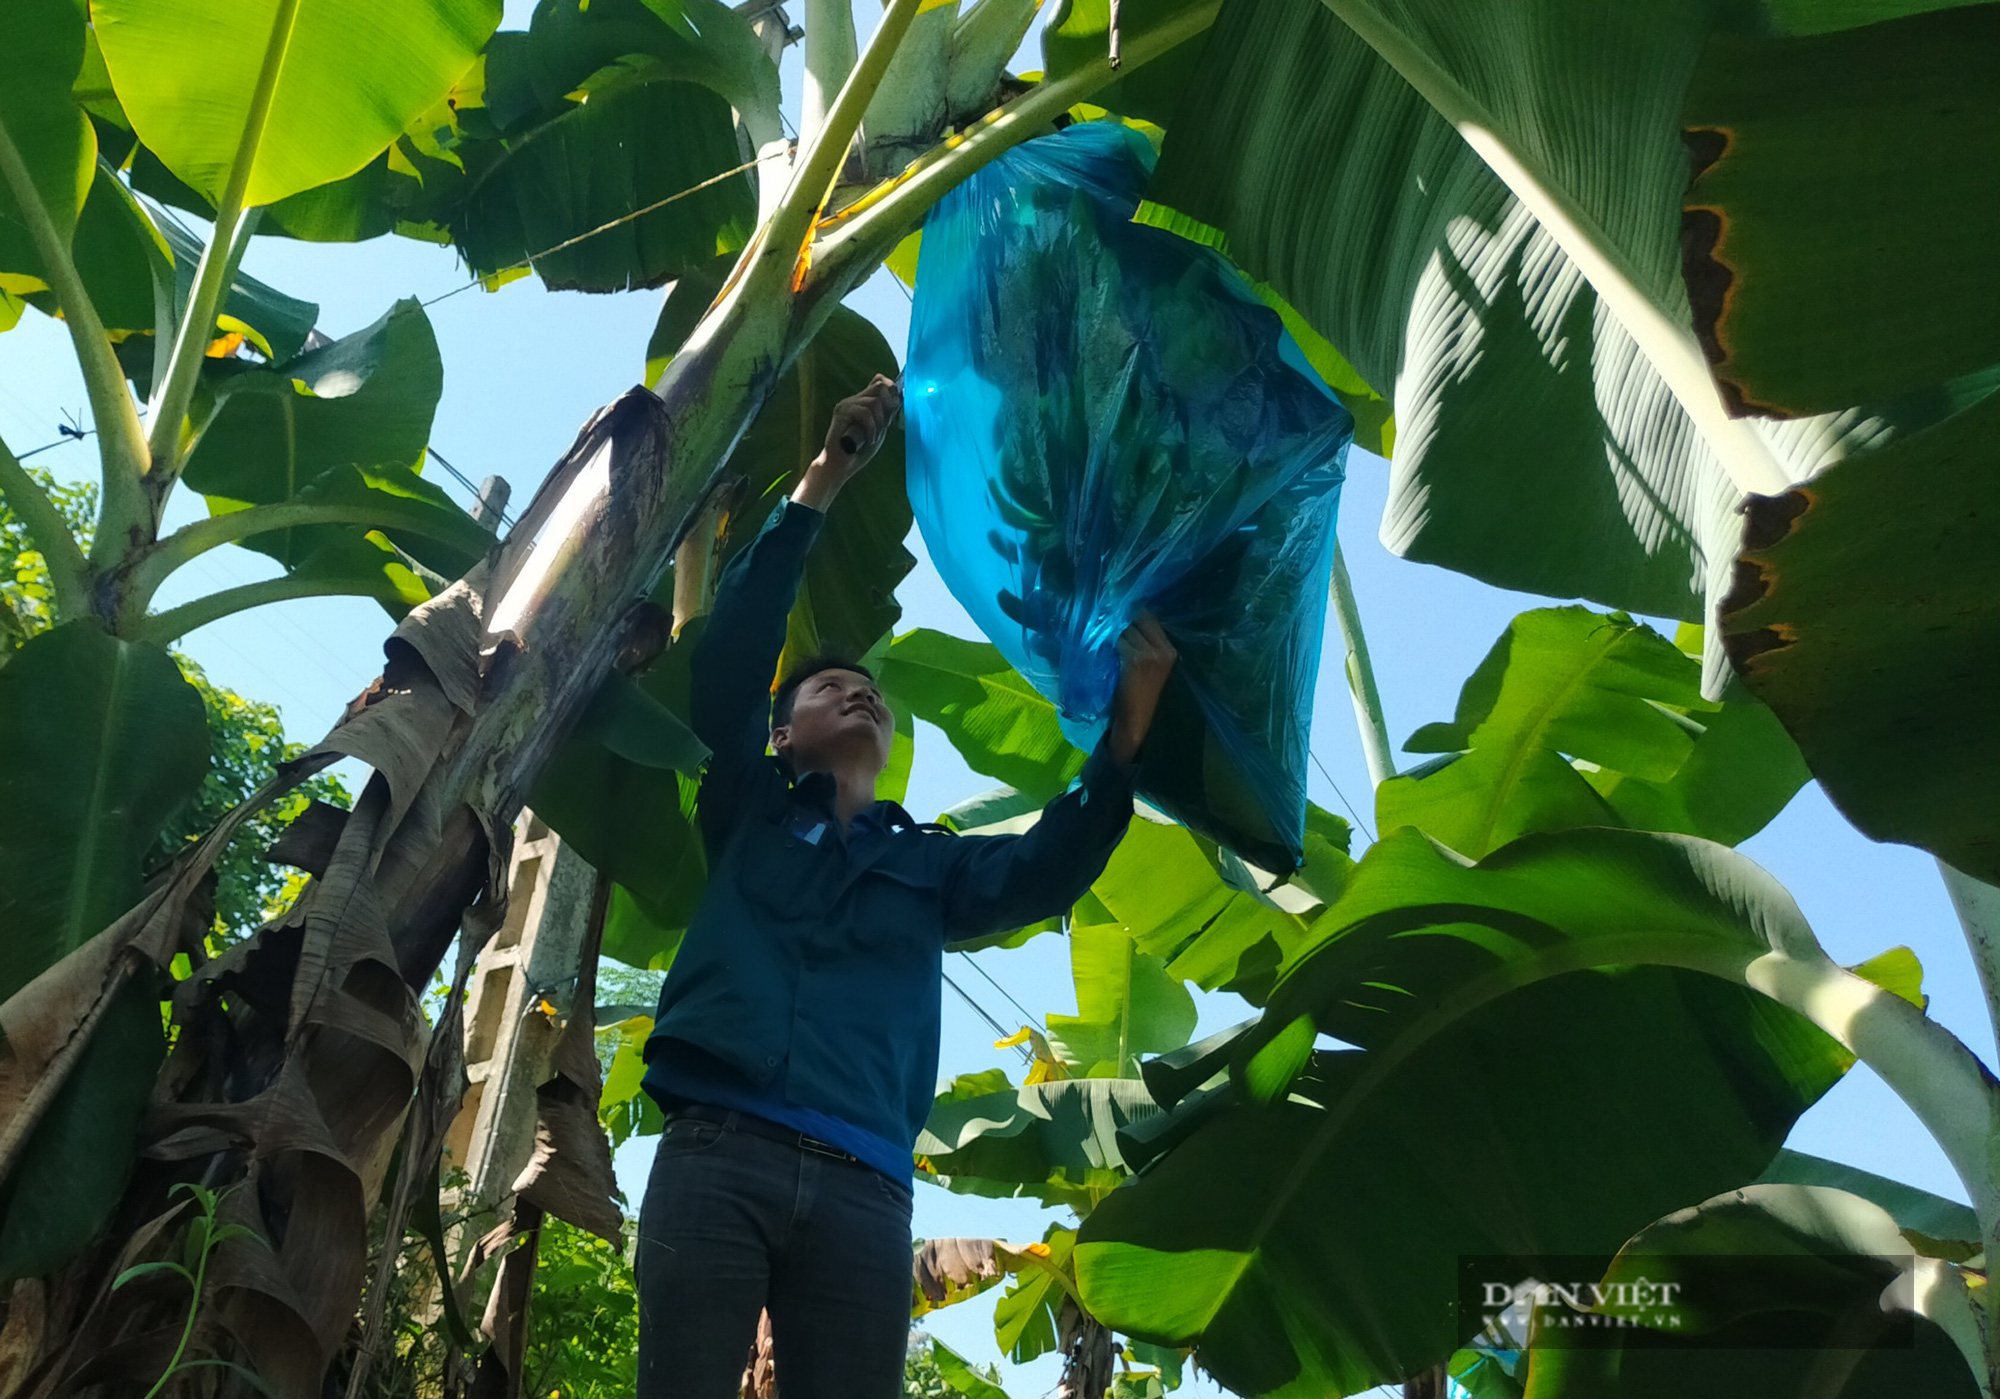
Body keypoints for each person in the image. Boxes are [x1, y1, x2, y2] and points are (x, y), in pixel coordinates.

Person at [634, 374, 1177, 1398]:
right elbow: (727, 657)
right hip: (720, 1148)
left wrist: (1129, 732)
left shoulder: (928, 864)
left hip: (863, 1189)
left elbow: (1044, 862)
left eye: (868, 688)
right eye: (827, 688)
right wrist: (825, 475)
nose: (859, 689)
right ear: (781, 732)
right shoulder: (745, 803)